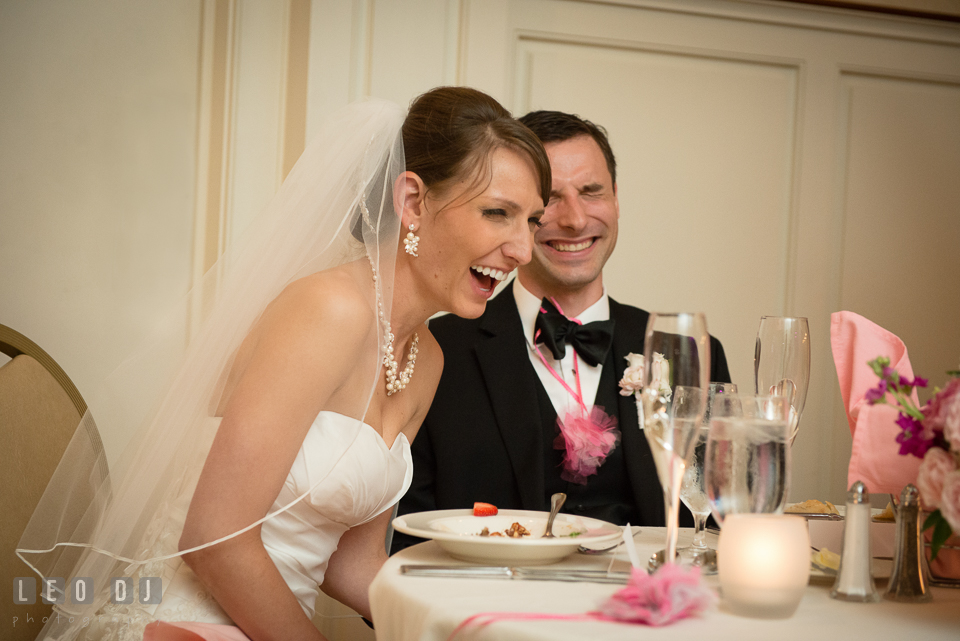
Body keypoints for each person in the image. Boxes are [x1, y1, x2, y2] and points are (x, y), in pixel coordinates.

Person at [16, 87, 550, 641]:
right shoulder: (329, 309)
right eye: (497, 214)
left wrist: (481, 617)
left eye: (532, 221)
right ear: (412, 201)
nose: (522, 250)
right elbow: (214, 538)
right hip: (182, 621)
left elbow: (352, 561)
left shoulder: (428, 357)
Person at [393, 110, 731, 550]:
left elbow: (723, 525)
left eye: (592, 192)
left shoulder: (691, 353)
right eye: (550, 199)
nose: (574, 220)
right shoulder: (437, 349)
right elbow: (406, 540)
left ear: (616, 199)